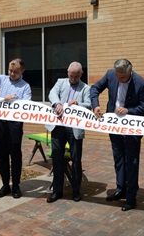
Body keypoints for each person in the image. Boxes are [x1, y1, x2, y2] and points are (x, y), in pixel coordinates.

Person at [90, 59, 144, 211]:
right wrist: (95, 105)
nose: (119, 79)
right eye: (118, 76)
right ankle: (120, 189)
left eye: (123, 77)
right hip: (114, 125)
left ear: (130, 72)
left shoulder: (140, 82)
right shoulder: (111, 75)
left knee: (132, 161)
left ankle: (131, 197)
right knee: (118, 158)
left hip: (132, 128)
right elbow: (95, 88)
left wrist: (128, 110)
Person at [0, 58, 31, 199]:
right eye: (10, 70)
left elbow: (27, 104)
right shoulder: (2, 79)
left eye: (15, 71)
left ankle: (16, 185)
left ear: (22, 71)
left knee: (15, 153)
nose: (12, 73)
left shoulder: (25, 86)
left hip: (14, 123)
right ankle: (5, 185)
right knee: (1, 154)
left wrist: (13, 99)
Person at [46, 62, 91, 203]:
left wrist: (79, 104)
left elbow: (89, 104)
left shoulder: (86, 88)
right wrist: (57, 103)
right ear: (67, 73)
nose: (73, 79)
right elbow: (52, 93)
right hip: (58, 125)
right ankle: (57, 191)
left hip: (74, 128)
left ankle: (76, 191)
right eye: (71, 76)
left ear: (81, 75)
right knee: (57, 158)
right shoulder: (61, 82)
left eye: (76, 77)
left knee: (76, 160)